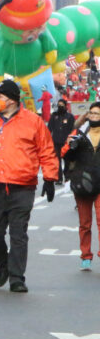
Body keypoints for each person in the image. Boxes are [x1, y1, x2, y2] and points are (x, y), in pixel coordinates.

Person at [0, 80, 58, 293]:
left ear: (12, 100)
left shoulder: (33, 122)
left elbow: (46, 150)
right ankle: (2, 263)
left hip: (22, 187)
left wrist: (51, 178)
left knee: (19, 234)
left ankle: (17, 277)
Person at [62, 103, 100, 271]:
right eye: (91, 113)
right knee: (85, 223)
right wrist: (71, 147)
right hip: (82, 184)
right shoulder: (78, 133)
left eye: (97, 114)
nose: (93, 117)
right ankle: (85, 255)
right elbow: (65, 154)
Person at [49, 98, 76, 184]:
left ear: (65, 106)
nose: (60, 107)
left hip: (66, 142)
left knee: (67, 160)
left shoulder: (70, 117)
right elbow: (49, 128)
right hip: (56, 141)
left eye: (62, 105)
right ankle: (59, 178)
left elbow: (73, 129)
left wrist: (72, 139)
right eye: (59, 105)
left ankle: (67, 176)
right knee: (57, 161)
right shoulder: (54, 116)